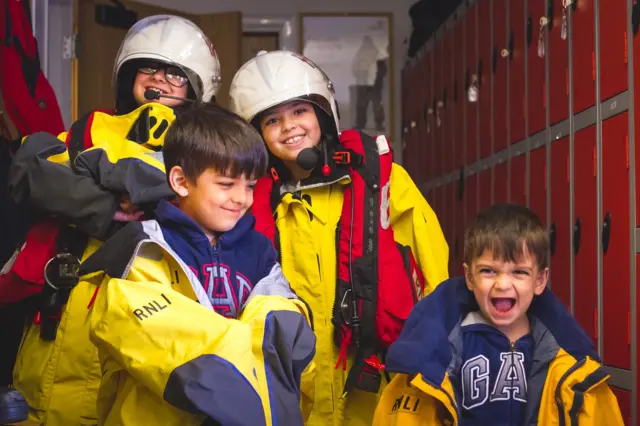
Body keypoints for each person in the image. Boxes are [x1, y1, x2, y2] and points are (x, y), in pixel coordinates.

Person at [2, 14, 221, 425]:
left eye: (177, 74)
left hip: (154, 320)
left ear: (197, 86)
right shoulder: (91, 129)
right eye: (150, 67)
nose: (161, 79)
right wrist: (102, 209)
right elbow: (29, 174)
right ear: (129, 74)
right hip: (63, 316)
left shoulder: (207, 148)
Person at [229, 50, 449, 426]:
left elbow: (434, 270)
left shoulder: (383, 181)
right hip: (296, 391)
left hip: (375, 383)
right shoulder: (254, 203)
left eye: (300, 111)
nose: (289, 127)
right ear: (257, 135)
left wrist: (434, 357)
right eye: (272, 120)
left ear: (323, 112)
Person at [81, 102, 315, 426]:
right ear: (180, 181)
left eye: (250, 185)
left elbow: (289, 334)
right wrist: (248, 348)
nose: (242, 199)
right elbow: (160, 338)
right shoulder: (143, 249)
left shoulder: (260, 253)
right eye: (226, 184)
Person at [372, 203, 625, 425]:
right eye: (489, 271)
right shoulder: (441, 349)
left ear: (540, 280)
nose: (503, 284)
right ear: (469, 277)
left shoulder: (565, 359)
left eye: (519, 272)